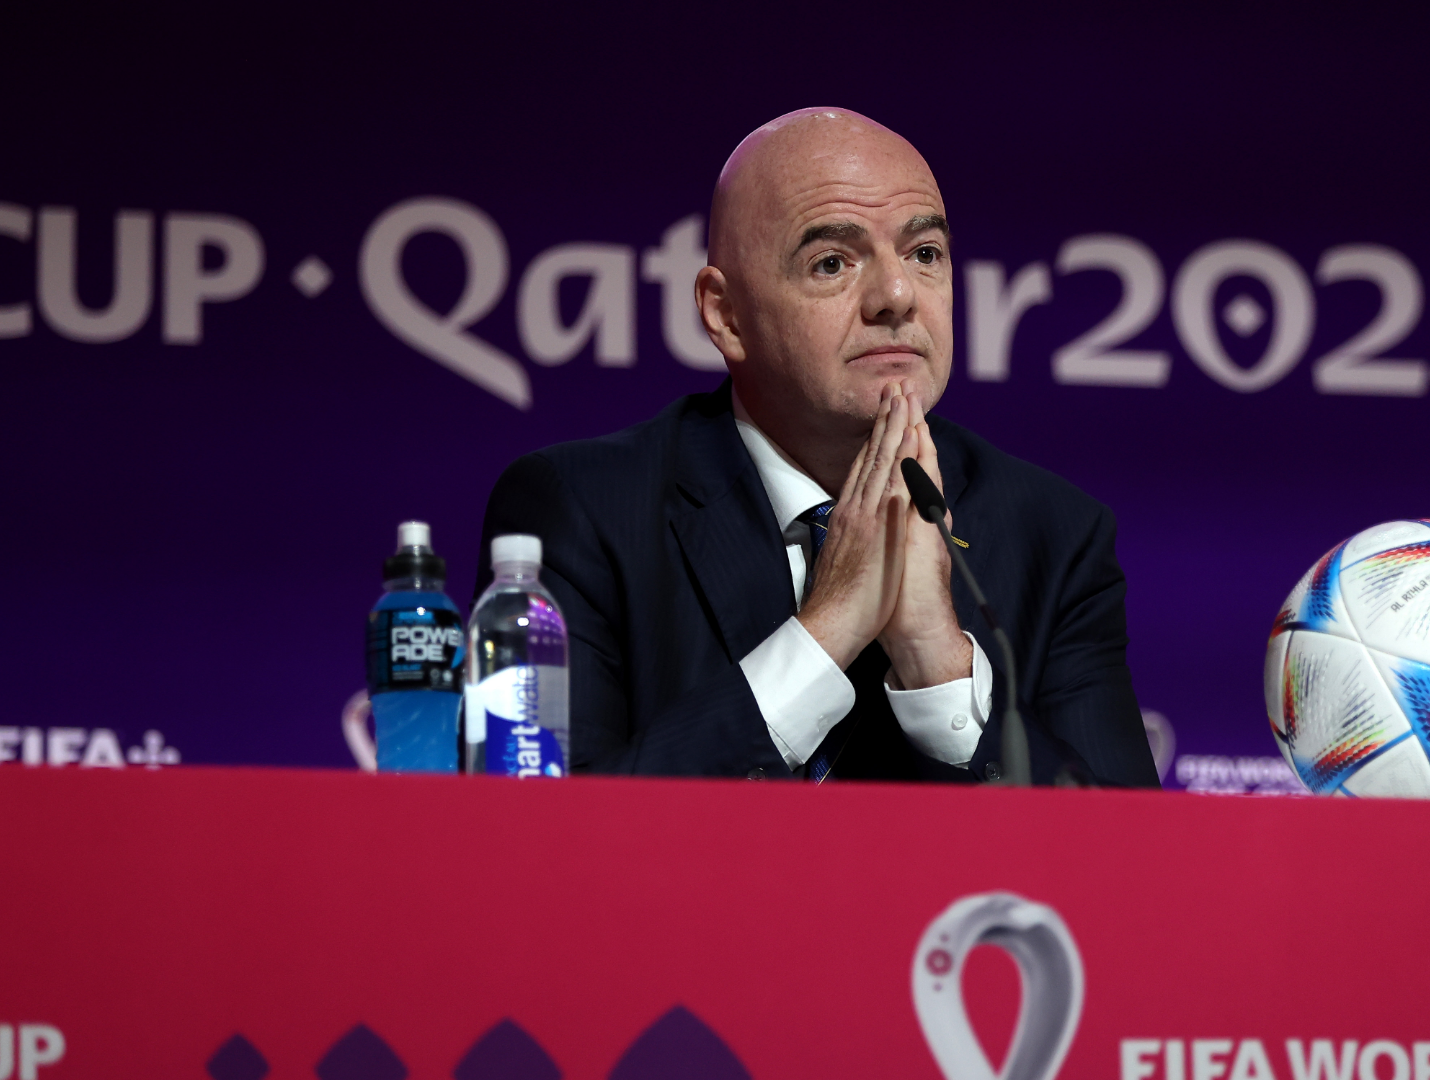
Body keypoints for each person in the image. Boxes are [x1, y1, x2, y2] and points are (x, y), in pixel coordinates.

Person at [475, 107, 1157, 785]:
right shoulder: (584, 511)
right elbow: (545, 832)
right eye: (832, 263)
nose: (897, 295)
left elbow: (1126, 846)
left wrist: (940, 665)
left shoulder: (1053, 535)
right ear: (727, 316)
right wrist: (824, 634)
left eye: (924, 254)